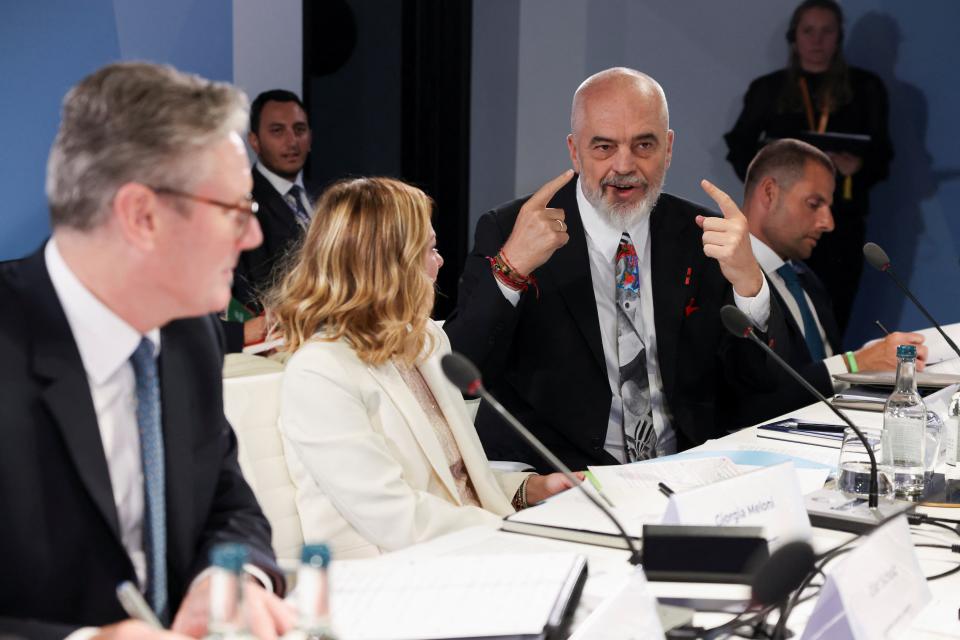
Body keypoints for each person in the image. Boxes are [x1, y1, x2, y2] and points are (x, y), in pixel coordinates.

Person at [0, 62, 293, 639]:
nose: (254, 236)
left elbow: (228, 503)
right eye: (236, 211)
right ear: (141, 215)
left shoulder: (189, 334)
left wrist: (229, 577)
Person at [444, 67, 778, 472]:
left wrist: (749, 284)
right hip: (559, 478)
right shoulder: (511, 229)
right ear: (574, 150)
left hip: (684, 470)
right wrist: (510, 269)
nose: (624, 165)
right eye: (603, 147)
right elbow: (459, 371)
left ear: (668, 148)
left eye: (644, 145)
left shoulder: (701, 235)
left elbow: (758, 388)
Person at [269, 177, 576, 559]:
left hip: (470, 551)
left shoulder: (424, 340)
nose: (439, 261)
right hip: (392, 578)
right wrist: (514, 533)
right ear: (386, 264)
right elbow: (396, 517)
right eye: (429, 249)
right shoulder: (320, 371)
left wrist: (527, 490)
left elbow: (453, 480)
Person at [728, 138, 926, 427]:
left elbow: (823, 379)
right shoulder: (721, 280)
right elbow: (747, 402)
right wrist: (853, 364)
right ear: (769, 193)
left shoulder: (808, 282)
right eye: (814, 203)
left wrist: (874, 365)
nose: (828, 222)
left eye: (829, 206)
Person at [724, 0, 893, 336]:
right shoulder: (768, 88)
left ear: (839, 36)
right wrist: (773, 184)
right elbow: (739, 146)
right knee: (772, 315)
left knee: (831, 316)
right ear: (794, 37)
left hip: (840, 224)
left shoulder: (865, 88)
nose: (817, 40)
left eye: (827, 31)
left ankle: (825, 376)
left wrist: (856, 166)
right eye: (809, 31)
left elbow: (883, 156)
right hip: (776, 224)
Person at [229, 89, 316, 349]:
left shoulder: (327, 196)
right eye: (277, 131)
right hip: (277, 342)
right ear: (254, 141)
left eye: (299, 129)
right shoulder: (240, 200)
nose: (292, 142)